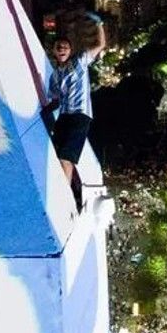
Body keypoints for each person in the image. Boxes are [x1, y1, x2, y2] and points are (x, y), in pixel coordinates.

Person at [46, 12, 107, 209]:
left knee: (66, 156)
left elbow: (100, 45)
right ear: (55, 52)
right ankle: (69, 190)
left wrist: (99, 24)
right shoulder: (55, 76)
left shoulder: (80, 60)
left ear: (70, 50)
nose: (62, 49)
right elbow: (55, 97)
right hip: (64, 116)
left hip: (80, 115)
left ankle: (66, 198)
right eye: (58, 47)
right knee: (57, 155)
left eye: (65, 47)